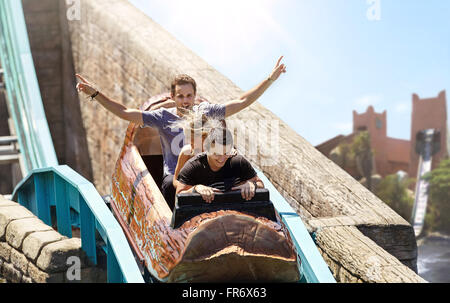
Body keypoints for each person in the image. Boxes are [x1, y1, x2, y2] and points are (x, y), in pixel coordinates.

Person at [75, 56, 285, 207]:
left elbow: (241, 101)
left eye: (189, 96)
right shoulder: (164, 117)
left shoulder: (205, 111)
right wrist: (95, 94)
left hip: (205, 169)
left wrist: (270, 79)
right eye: (181, 96)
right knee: (170, 185)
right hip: (176, 175)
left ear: (194, 96)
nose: (185, 101)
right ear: (173, 96)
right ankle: (174, 225)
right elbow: (125, 112)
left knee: (227, 180)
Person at [175, 127, 264, 203]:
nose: (222, 159)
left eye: (226, 153)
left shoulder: (239, 162)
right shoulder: (192, 167)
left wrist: (252, 184)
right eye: (216, 154)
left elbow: (260, 184)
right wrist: (195, 189)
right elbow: (179, 195)